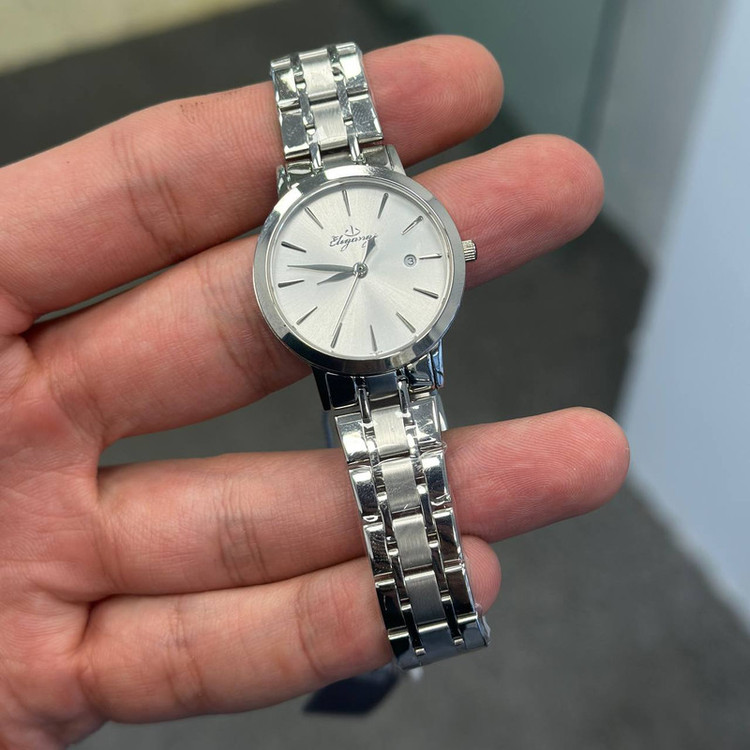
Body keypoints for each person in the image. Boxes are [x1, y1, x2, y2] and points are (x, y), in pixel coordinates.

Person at [0, 35, 628, 748]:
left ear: (454, 252)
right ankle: (421, 622)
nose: (360, 269)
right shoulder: (303, 241)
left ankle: (423, 622)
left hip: (397, 350)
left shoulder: (397, 228)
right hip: (350, 355)